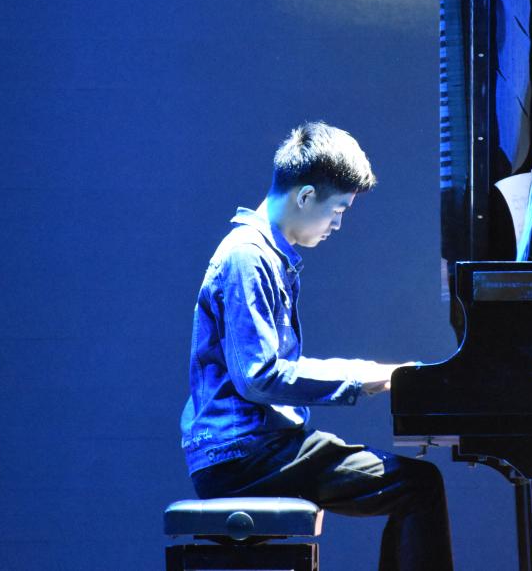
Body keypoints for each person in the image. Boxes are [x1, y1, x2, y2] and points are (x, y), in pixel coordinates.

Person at [180, 122, 453, 570]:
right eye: (338, 210)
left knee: (416, 483)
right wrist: (363, 379)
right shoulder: (248, 255)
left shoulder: (264, 254)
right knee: (417, 486)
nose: (338, 224)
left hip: (258, 448)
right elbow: (259, 377)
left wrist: (371, 372)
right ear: (306, 196)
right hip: (244, 455)